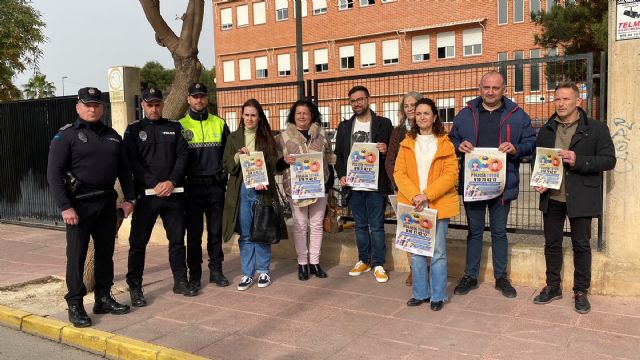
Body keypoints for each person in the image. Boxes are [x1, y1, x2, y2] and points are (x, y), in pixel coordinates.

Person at [47, 87, 136, 328]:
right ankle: (75, 303)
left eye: (96, 104)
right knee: (76, 256)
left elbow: (124, 170)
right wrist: (65, 206)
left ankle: (103, 298)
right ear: (78, 107)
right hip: (79, 205)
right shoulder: (66, 136)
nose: (92, 108)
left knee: (105, 254)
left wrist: (129, 199)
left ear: (102, 108)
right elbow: (53, 174)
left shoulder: (112, 135)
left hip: (107, 202)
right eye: (87, 104)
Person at [449, 71, 536, 298]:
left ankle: (501, 277)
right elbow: (451, 139)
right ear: (480, 88)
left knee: (499, 232)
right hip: (474, 184)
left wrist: (516, 148)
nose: (490, 92)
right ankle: (470, 276)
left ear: (504, 89)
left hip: (502, 186)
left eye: (495, 88)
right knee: (474, 232)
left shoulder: (517, 115)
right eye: (486, 87)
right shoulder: (466, 113)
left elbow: (531, 142)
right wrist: (458, 145)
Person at [532, 82, 615, 314]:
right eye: (557, 99)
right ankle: (553, 286)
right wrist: (538, 179)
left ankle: (580, 291)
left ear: (578, 101)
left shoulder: (596, 129)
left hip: (582, 197)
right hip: (553, 197)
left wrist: (579, 160)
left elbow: (609, 160)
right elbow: (536, 159)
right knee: (552, 243)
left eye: (566, 99)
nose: (560, 103)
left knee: (581, 244)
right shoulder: (547, 129)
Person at [124, 88, 196, 307]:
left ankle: (180, 281)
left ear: (162, 105)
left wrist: (171, 181)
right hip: (147, 196)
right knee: (138, 243)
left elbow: (183, 156)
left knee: (176, 241)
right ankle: (135, 287)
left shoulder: (175, 128)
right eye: (150, 105)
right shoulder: (133, 130)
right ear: (143, 106)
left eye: (157, 104)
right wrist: (154, 184)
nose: (154, 109)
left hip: (173, 195)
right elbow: (133, 162)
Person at [394, 98, 459, 311]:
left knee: (438, 252)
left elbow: (451, 175)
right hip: (413, 204)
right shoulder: (406, 143)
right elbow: (399, 173)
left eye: (426, 113)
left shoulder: (445, 143)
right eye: (418, 113)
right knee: (417, 251)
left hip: (436, 204)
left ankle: (438, 295)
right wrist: (414, 195)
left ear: (434, 116)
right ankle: (420, 293)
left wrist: (427, 195)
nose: (422, 116)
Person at [221, 99, 287, 290]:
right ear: (242, 116)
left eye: (254, 115)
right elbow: (226, 163)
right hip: (241, 190)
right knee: (246, 234)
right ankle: (248, 273)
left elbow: (274, 164)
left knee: (262, 231)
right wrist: (237, 156)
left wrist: (262, 179)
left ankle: (264, 271)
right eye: (247, 114)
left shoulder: (267, 138)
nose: (250, 118)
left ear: (259, 117)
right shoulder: (233, 138)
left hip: (262, 190)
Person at [335, 85, 393, 283]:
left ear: (368, 99)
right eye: (352, 101)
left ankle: (378, 263)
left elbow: (392, 153)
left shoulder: (384, 124)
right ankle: (364, 260)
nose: (356, 103)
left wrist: (385, 150)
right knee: (360, 226)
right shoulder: (344, 127)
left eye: (360, 99)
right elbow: (340, 156)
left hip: (376, 185)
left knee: (376, 226)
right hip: (354, 185)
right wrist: (342, 175)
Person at [275, 99, 335, 281]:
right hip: (296, 188)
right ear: (293, 115)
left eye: (305, 113)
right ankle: (302, 263)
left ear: (312, 116)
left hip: (319, 187)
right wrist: (283, 161)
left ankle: (315, 262)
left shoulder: (322, 135)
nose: (302, 116)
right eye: (298, 113)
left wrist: (329, 185)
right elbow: (275, 164)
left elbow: (330, 160)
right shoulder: (282, 137)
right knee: (300, 226)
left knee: (316, 225)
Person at [179, 82, 230, 289]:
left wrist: (224, 175)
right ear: (188, 100)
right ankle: (195, 274)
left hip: (215, 186)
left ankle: (216, 270)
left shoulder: (219, 123)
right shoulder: (180, 125)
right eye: (195, 97)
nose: (199, 100)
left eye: (202, 96)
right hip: (192, 188)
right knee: (193, 233)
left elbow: (229, 155)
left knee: (215, 231)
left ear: (207, 99)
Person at [385, 91, 423, 287]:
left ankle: (428, 268)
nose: (410, 108)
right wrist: (400, 185)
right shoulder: (398, 131)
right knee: (409, 231)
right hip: (404, 191)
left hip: (425, 190)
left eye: (413, 104)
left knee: (426, 230)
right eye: (406, 105)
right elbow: (390, 160)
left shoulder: (429, 128)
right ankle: (414, 271)